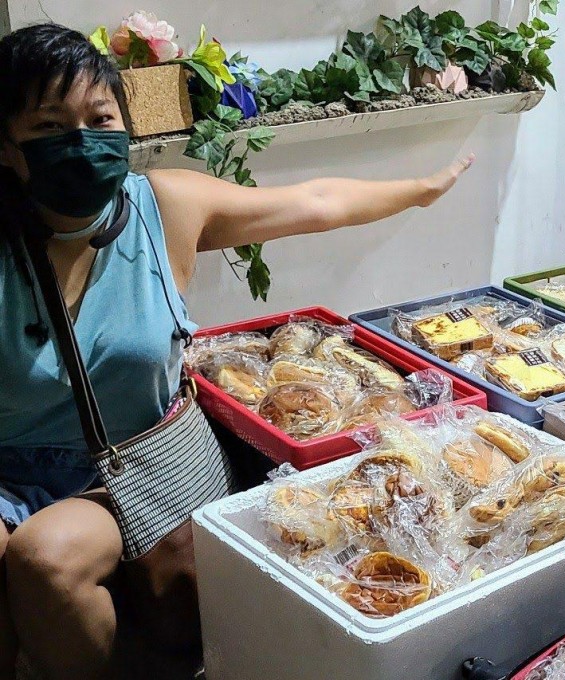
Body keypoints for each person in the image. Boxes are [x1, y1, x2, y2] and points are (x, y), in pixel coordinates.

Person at [0, 23, 472, 679]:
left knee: (44, 558)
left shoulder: (163, 206)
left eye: (98, 117)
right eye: (50, 125)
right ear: (8, 146)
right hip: (13, 465)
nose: (80, 141)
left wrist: (422, 189)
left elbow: (316, 201)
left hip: (139, 461)